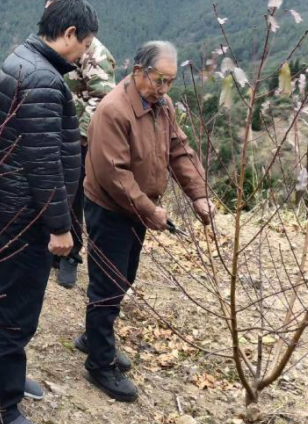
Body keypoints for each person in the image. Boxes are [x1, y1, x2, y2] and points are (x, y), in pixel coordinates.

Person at [0, 0, 98, 424]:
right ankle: (0, 405)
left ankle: (9, 376)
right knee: (14, 312)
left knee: (12, 306)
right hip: (26, 218)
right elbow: (44, 163)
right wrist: (61, 227)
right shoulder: (43, 81)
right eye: (84, 45)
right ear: (69, 35)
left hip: (12, 209)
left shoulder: (23, 60)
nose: (84, 54)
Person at [78, 40, 214, 402]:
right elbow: (114, 174)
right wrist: (150, 210)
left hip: (137, 210)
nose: (164, 89)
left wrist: (198, 194)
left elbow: (178, 149)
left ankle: (94, 337)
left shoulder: (161, 106)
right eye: (159, 79)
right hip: (111, 209)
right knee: (107, 286)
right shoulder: (114, 111)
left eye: (170, 81)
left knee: (124, 278)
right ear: (138, 71)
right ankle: (99, 362)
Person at [45, 0, 117, 290]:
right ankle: (52, 247)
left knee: (74, 198)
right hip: (56, 134)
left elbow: (102, 100)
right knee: (55, 193)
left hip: (81, 140)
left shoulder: (94, 53)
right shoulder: (50, 45)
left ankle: (71, 256)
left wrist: (78, 138)